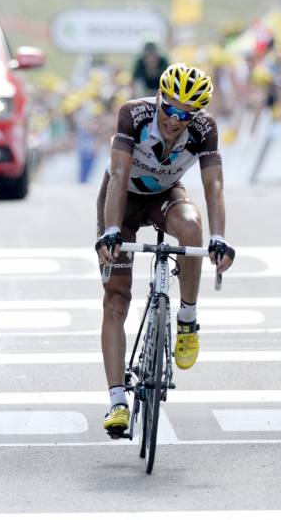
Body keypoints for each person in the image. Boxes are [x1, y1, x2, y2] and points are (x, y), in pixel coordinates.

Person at [95, 62, 236, 434]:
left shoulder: (204, 129)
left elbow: (214, 187)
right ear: (159, 98)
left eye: (185, 114)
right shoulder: (134, 114)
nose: (175, 120)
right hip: (120, 201)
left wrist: (219, 238)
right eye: (169, 109)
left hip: (164, 196)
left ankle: (187, 318)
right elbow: (120, 175)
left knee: (192, 229)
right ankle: (117, 402)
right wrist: (112, 229)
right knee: (116, 299)